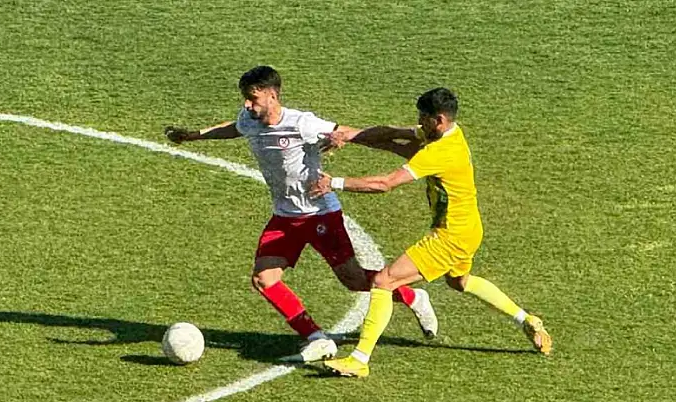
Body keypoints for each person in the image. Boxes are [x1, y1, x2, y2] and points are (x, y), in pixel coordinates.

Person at [164, 66, 438, 362]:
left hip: (320, 214)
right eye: (245, 98)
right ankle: (316, 337)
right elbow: (235, 127)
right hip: (285, 217)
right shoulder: (250, 119)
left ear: (272, 95)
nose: (247, 105)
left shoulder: (301, 123)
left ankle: (412, 296)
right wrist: (193, 136)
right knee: (264, 279)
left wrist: (349, 139)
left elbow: (344, 132)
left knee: (354, 280)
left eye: (253, 98)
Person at [308, 87, 552, 377]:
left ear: (438, 119)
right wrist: (349, 135)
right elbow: (391, 134)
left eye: (423, 119)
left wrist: (334, 182)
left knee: (385, 281)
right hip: (468, 228)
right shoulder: (447, 134)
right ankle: (527, 319)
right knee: (459, 282)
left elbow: (386, 183)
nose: (418, 124)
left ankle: (359, 360)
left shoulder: (441, 151)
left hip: (450, 236)